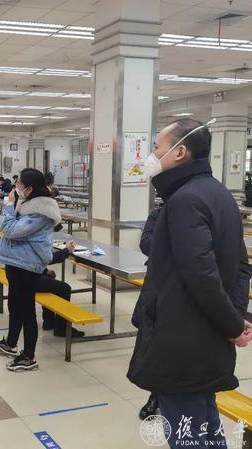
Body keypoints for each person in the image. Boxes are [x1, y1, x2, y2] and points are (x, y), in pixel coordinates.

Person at [127, 119, 252, 449]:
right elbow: (241, 266)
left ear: (179, 152)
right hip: (206, 337)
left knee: (187, 433)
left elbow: (201, 275)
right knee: (206, 426)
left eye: (157, 147)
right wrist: (235, 318)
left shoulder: (185, 200)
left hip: (183, 340)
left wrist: (232, 325)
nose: (152, 154)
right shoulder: (219, 194)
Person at [0, 168, 61, 372]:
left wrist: (9, 206)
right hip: (16, 262)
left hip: (27, 266)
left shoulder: (41, 212)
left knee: (27, 311)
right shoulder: (27, 203)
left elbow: (11, 230)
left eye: (19, 184)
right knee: (15, 305)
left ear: (29, 189)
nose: (15, 187)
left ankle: (29, 356)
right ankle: (11, 343)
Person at [137, 206, 161, 421]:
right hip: (159, 286)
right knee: (155, 341)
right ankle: (156, 394)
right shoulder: (158, 214)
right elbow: (145, 244)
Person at [39, 241, 85, 337]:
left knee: (50, 279)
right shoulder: (31, 236)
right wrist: (66, 250)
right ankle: (61, 328)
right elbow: (47, 258)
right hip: (27, 278)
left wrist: (45, 271)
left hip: (21, 273)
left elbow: (33, 259)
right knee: (65, 289)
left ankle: (49, 322)